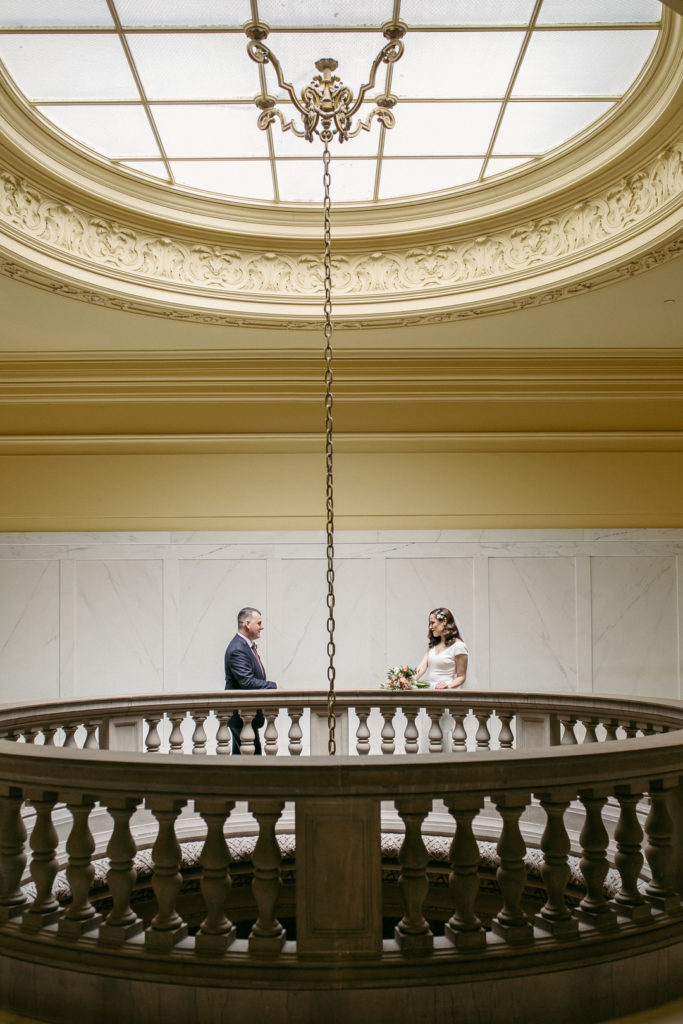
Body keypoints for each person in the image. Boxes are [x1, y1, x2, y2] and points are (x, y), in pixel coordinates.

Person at [224, 606, 278, 754]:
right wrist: (275, 686)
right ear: (248, 624)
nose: (262, 627)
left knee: (242, 758)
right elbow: (247, 682)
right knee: (252, 757)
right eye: (259, 623)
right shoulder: (237, 649)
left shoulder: (244, 646)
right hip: (241, 716)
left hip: (247, 716)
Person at [415, 607, 468, 690]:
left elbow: (461, 677)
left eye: (433, 623)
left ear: (444, 621)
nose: (430, 627)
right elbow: (422, 667)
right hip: (430, 688)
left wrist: (447, 686)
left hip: (445, 691)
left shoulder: (458, 646)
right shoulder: (433, 644)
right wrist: (406, 682)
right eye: (430, 623)